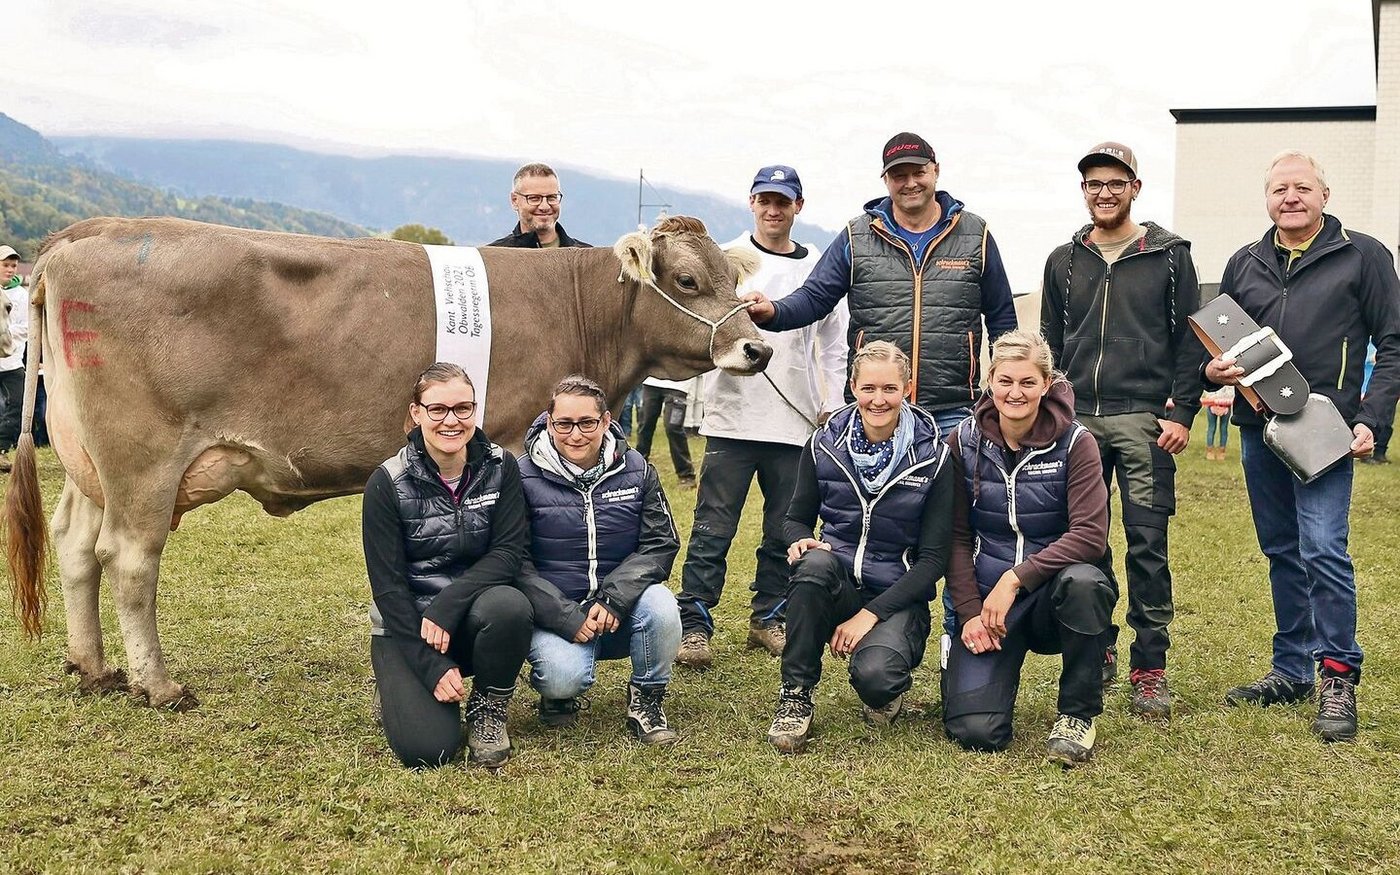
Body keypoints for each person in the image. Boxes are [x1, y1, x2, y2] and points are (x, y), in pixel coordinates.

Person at [1207, 150, 1399, 743]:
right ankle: (1291, 669)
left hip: (1326, 427)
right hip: (1259, 427)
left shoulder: (1363, 255)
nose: (1290, 197)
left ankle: (1337, 674)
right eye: (1279, 189)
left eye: (1302, 187)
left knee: (1322, 549)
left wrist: (1373, 418)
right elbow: (1219, 344)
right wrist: (1214, 374)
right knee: (1282, 550)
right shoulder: (1244, 261)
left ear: (1325, 194)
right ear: (1266, 199)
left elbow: (1393, 343)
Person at [1040, 142, 1203, 720]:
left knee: (1147, 545)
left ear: (1136, 187)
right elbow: (1050, 346)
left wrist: (1182, 412)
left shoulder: (1171, 256)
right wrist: (1052, 411)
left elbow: (1191, 339)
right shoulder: (1063, 259)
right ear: (1083, 190)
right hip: (1078, 420)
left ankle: (1150, 667)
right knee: (1088, 541)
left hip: (1144, 419)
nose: (1103, 192)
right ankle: (1101, 647)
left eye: (1115, 182)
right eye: (1092, 184)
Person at [674, 164, 847, 669]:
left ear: (799, 206)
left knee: (784, 529)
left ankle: (769, 616)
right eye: (765, 200)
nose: (774, 210)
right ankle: (695, 624)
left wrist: (833, 403)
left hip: (796, 420)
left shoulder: (819, 264)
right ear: (751, 202)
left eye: (783, 201)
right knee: (713, 528)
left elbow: (834, 343)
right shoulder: (726, 259)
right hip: (733, 417)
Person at [744, 132, 1017, 434]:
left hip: (952, 410)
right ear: (886, 180)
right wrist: (774, 311)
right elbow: (814, 298)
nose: (910, 182)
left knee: (951, 483)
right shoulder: (856, 236)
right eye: (899, 175)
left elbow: (1001, 317)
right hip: (875, 406)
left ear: (935, 170)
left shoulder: (975, 235)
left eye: (919, 172)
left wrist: (1005, 384)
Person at [766, 341, 954, 754]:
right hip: (836, 580)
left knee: (877, 679)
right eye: (869, 388)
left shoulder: (936, 457)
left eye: (890, 388)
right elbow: (794, 517)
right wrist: (798, 538)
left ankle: (885, 679)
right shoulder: (823, 444)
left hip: (896, 595)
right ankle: (796, 694)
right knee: (812, 565)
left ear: (908, 387)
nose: (878, 399)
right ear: (853, 387)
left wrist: (868, 617)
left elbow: (934, 559)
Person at [941, 330, 1116, 766]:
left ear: (1046, 385)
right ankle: (983, 683)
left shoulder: (1078, 443)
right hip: (988, 609)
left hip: (1052, 598)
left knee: (1084, 582)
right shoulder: (962, 441)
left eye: (1027, 382)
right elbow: (955, 537)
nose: (1014, 393)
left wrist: (1015, 578)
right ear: (990, 381)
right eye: (1005, 381)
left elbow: (1091, 535)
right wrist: (968, 614)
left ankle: (1077, 714)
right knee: (976, 731)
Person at [362, 363, 533, 768]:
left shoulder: (501, 467)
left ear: (475, 411)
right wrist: (430, 665)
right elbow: (388, 589)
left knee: (510, 606)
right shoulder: (386, 482)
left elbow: (508, 553)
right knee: (429, 752)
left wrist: (449, 602)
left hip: (471, 614)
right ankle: (395, 686)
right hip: (407, 625)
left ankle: (488, 708)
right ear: (416, 413)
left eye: (463, 408)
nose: (451, 421)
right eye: (437, 410)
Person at [516, 374, 683, 744]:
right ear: (549, 421)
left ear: (606, 421)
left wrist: (614, 598)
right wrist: (563, 615)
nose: (576, 435)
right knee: (563, 679)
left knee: (663, 605)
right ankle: (557, 697)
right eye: (564, 424)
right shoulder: (521, 475)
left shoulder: (637, 469)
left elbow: (661, 542)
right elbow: (514, 560)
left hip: (619, 607)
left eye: (587, 423)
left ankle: (647, 697)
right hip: (556, 612)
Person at [488, 163, 590, 248]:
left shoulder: (586, 258)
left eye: (552, 197)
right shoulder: (492, 259)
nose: (544, 207)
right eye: (534, 198)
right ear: (514, 200)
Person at [633, 377, 696, 485]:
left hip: (679, 384)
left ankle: (686, 474)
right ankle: (637, 470)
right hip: (652, 382)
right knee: (645, 425)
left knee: (673, 427)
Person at [0, 244, 28, 473]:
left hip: (12, 360)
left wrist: (6, 334)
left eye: (13, 265)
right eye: (5, 265)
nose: (10, 269)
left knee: (17, 405)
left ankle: (1, 449)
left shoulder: (21, 295)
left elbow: (27, 327)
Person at [1202, 385, 1234, 461]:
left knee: (1223, 428)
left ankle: (1222, 451)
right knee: (1212, 428)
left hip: (1226, 404)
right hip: (1212, 404)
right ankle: (1210, 450)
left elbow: (1232, 391)